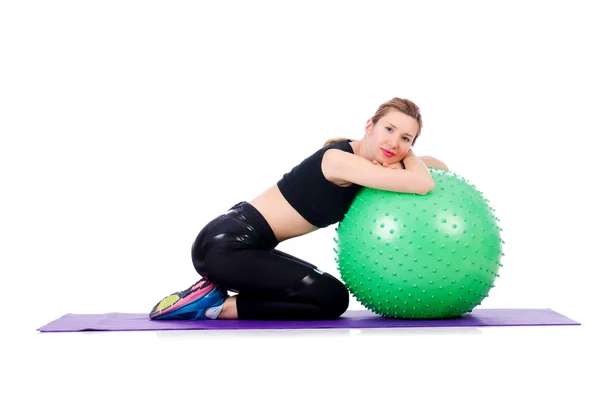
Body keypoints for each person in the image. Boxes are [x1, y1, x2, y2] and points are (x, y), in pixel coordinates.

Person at [149, 97, 449, 321]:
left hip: (246, 248)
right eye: (389, 129)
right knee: (331, 299)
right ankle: (214, 306)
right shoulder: (338, 159)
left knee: (330, 297)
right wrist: (405, 156)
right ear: (369, 126)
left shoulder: (368, 165)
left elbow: (438, 167)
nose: (393, 142)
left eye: (405, 138)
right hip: (226, 245)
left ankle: (213, 295)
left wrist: (404, 156)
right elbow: (424, 182)